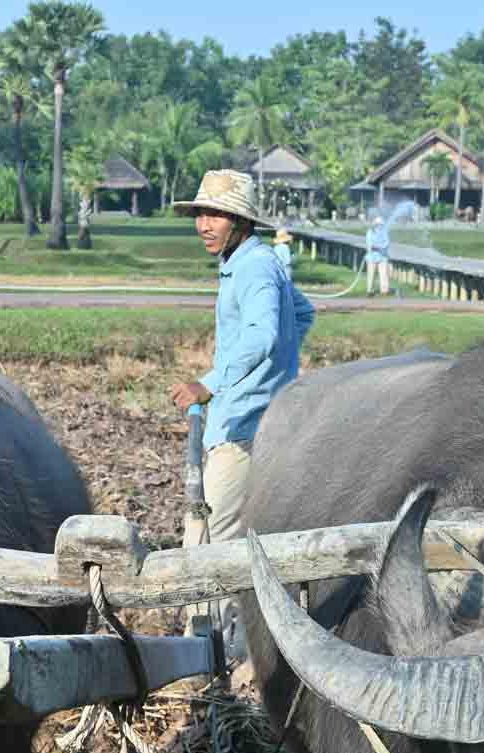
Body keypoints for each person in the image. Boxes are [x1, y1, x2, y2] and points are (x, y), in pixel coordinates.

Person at [168, 170, 313, 682]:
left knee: (209, 542)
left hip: (240, 429)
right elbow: (303, 313)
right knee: (228, 536)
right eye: (200, 215)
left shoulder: (252, 268)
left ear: (240, 221)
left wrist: (211, 383)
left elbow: (264, 335)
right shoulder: (253, 262)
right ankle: (228, 646)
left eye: (215, 215)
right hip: (259, 420)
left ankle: (213, 658)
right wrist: (280, 378)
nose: (204, 225)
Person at [364, 211, 392, 295]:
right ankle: (369, 290)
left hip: (383, 257)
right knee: (371, 274)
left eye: (380, 224)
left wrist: (380, 248)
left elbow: (386, 243)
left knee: (384, 274)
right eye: (377, 224)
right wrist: (376, 247)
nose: (379, 226)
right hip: (371, 257)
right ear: (374, 224)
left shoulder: (385, 233)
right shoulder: (370, 232)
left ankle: (384, 291)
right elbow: (369, 244)